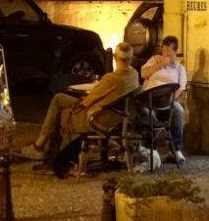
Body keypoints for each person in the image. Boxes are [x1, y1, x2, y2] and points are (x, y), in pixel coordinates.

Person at [19, 42, 139, 177]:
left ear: (115, 58)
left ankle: (42, 149)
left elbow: (89, 99)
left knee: (58, 108)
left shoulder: (111, 78)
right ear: (131, 58)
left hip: (97, 117)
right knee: (59, 99)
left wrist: (81, 102)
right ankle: (43, 150)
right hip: (115, 115)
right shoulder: (133, 75)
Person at [140, 35, 187, 164]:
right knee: (145, 113)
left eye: (168, 51)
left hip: (168, 101)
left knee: (178, 111)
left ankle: (176, 150)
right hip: (149, 99)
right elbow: (143, 74)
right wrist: (160, 64)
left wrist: (171, 101)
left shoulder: (179, 68)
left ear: (175, 52)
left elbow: (180, 88)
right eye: (163, 50)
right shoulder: (154, 60)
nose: (165, 53)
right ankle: (150, 149)